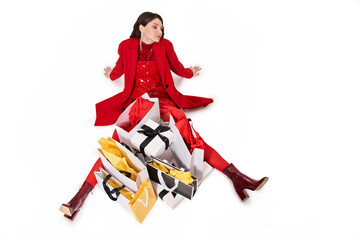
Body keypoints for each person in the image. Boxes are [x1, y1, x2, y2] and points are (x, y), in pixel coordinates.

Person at [60, 12, 268, 221]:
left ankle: (236, 177)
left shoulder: (165, 46)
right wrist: (109, 75)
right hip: (137, 103)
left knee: (190, 135)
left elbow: (177, 68)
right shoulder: (126, 46)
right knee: (114, 145)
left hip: (163, 101)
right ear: (141, 27)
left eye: (161, 28)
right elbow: (118, 71)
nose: (160, 31)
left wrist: (189, 73)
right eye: (155, 26)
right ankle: (78, 198)